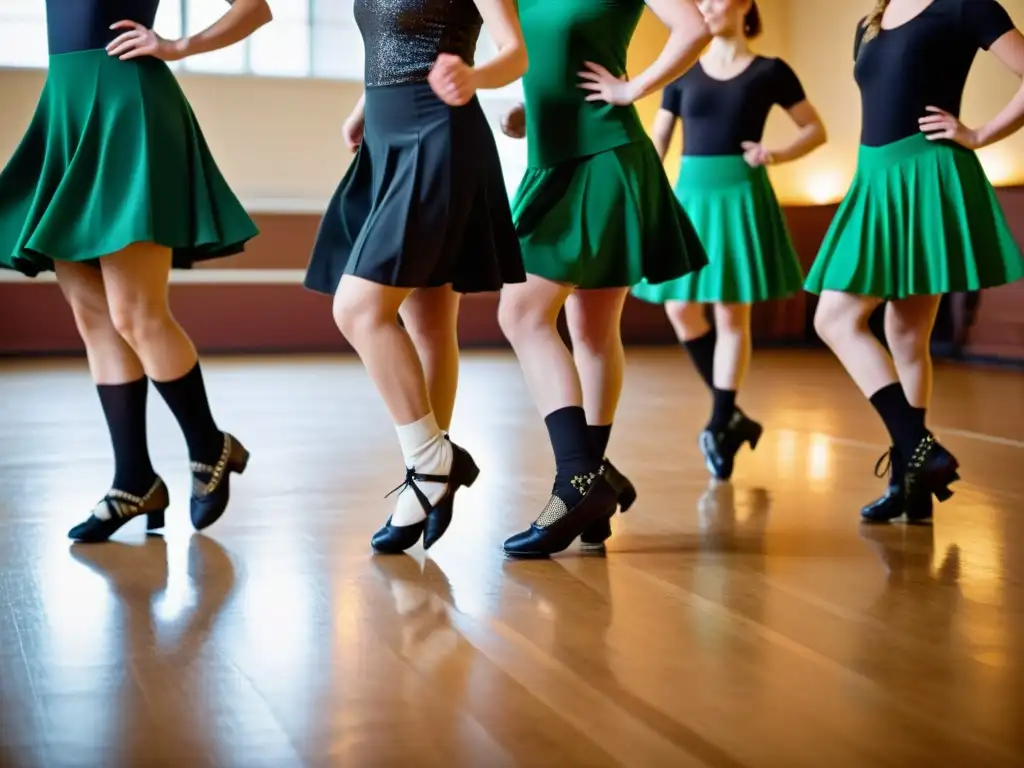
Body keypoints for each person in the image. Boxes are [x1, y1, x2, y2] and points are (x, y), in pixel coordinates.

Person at [0, 0, 273, 542]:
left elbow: (254, 8)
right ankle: (134, 481)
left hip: (128, 106)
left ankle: (209, 445)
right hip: (66, 105)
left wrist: (178, 46)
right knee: (93, 317)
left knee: (136, 313)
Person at [303, 0, 527, 553]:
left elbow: (516, 54)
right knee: (426, 319)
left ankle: (431, 458)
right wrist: (363, 106)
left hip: (438, 129)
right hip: (387, 133)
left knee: (357, 308)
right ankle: (427, 481)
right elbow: (386, 44)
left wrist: (473, 77)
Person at [497, 0, 712, 558]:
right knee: (589, 327)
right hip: (550, 158)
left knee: (521, 313)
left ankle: (577, 481)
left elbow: (694, 27)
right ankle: (592, 477)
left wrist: (634, 86)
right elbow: (547, 57)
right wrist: (526, 109)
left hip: (605, 155)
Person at [805, 0, 1024, 523]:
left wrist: (978, 134)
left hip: (926, 176)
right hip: (876, 180)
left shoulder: (966, 5)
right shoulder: (869, 21)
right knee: (902, 336)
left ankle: (919, 452)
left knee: (839, 319)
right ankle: (914, 477)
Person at [631, 0, 827, 482]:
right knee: (680, 306)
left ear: (745, 6)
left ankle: (720, 424)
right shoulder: (682, 69)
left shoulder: (770, 71)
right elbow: (658, 140)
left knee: (731, 312)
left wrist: (774, 153)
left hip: (741, 194)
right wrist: (645, 197)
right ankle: (729, 413)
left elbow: (814, 130)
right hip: (692, 197)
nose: (705, 7)